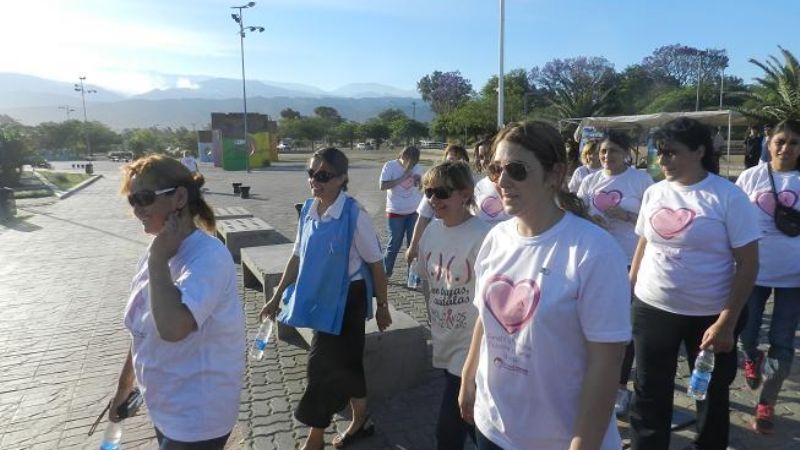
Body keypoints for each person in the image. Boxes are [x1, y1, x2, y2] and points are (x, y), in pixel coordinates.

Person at [459, 121, 631, 450]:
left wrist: (583, 443)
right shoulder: (496, 238)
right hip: (492, 427)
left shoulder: (593, 250)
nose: (501, 181)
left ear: (554, 174)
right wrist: (468, 377)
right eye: (495, 169)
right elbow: (485, 315)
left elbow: (607, 363)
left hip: (559, 438)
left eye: (516, 170)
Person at [629, 117, 760, 450]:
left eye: (672, 152)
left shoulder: (727, 197)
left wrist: (727, 323)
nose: (663, 161)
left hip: (710, 315)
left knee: (711, 394)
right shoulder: (655, 191)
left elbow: (748, 263)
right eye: (660, 153)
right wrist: (627, 294)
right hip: (652, 308)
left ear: (700, 151)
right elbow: (644, 244)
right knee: (648, 391)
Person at [262, 148, 392, 450]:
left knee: (319, 366)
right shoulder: (309, 209)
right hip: (321, 298)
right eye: (310, 173)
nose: (314, 181)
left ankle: (315, 437)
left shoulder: (353, 214)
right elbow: (297, 255)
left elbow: (376, 264)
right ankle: (362, 420)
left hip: (350, 300)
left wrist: (382, 306)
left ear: (341, 179)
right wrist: (276, 296)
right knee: (348, 364)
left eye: (322, 175)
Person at [113, 155, 244, 449]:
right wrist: (124, 386)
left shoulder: (207, 257)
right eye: (132, 201)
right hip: (165, 407)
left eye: (144, 199)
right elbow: (141, 332)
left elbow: (174, 328)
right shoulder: (156, 250)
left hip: (197, 416)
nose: (137, 210)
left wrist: (159, 260)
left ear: (180, 197)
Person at [577, 130, 653, 418]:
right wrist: (589, 218)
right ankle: (591, 378)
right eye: (603, 152)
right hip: (594, 259)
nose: (607, 157)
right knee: (592, 321)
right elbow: (576, 212)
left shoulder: (641, 181)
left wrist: (629, 217)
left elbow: (654, 221)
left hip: (628, 261)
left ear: (627, 153)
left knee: (624, 326)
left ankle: (620, 386)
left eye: (613, 151)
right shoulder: (589, 181)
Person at [418, 160, 490, 450]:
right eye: (429, 192)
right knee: (472, 421)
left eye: (442, 193)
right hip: (445, 339)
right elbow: (427, 281)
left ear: (465, 193)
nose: (434, 200)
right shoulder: (430, 233)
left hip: (471, 344)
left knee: (447, 432)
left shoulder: (484, 236)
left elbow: (491, 300)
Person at [735, 119, 800, 434]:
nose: (786, 148)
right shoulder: (751, 176)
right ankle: (751, 358)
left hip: (795, 277)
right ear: (768, 142)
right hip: (753, 271)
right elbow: (731, 219)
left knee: (782, 343)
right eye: (781, 141)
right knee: (746, 334)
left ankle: (766, 403)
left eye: (794, 142)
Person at [406, 144, 470, 265]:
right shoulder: (434, 186)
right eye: (450, 160)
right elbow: (423, 218)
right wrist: (413, 247)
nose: (453, 164)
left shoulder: (476, 184)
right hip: (439, 242)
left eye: (459, 160)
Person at [379, 146, 423, 278]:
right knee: (394, 245)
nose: (411, 165)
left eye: (414, 162)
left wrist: (418, 182)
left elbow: (419, 187)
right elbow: (382, 186)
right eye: (410, 161)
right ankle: (386, 273)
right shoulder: (390, 166)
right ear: (403, 156)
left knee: (413, 245)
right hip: (395, 211)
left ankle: (412, 277)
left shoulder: (418, 167)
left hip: (414, 211)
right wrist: (403, 177)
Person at [473, 139, 513, 226]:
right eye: (481, 157)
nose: (485, 160)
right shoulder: (479, 185)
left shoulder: (511, 182)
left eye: (488, 155)